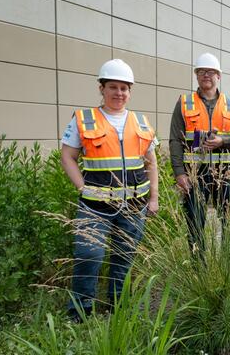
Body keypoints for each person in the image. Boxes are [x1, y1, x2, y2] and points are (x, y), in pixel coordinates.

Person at [61, 59, 159, 321]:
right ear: (101, 88)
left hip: (134, 206)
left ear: (130, 91)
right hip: (95, 205)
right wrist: (82, 187)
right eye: (113, 87)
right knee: (88, 255)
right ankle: (80, 314)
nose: (119, 93)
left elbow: (151, 162)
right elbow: (67, 156)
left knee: (124, 258)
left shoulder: (141, 121)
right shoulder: (84, 119)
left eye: (124, 88)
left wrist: (154, 198)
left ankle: (117, 307)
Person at [169, 53, 230, 256]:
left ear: (219, 76)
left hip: (224, 172)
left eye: (210, 72)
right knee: (195, 221)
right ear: (196, 76)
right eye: (201, 71)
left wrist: (223, 141)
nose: (205, 75)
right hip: (194, 173)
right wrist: (179, 173)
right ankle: (198, 268)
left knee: (229, 219)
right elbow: (175, 140)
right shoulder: (184, 102)